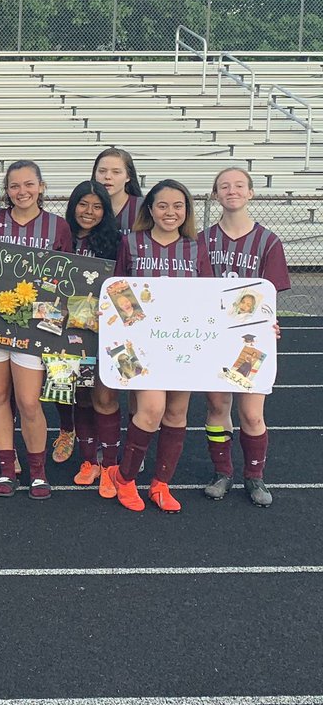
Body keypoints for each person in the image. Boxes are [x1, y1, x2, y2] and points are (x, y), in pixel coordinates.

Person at [101, 179, 212, 513]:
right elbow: (116, 290)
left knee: (176, 413)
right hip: (141, 346)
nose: (170, 212)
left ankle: (161, 484)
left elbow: (209, 299)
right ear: (149, 209)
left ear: (187, 211)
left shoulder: (195, 248)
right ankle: (126, 477)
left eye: (178, 206)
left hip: (183, 345)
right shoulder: (132, 243)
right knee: (150, 410)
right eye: (162, 205)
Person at [0, 160, 73, 500]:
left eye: (28, 184)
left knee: (29, 401)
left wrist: (49, 326)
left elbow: (66, 280)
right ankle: (6, 466)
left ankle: (37, 471)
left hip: (35, 327)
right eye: (15, 186)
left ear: (41, 187)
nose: (22, 192)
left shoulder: (57, 227)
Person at [201, 167, 290, 507]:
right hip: (213, 336)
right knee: (217, 405)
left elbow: (271, 297)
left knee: (252, 413)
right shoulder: (203, 240)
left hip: (251, 340)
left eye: (239, 185)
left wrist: (273, 323)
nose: (232, 190)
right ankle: (222, 472)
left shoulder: (268, 241)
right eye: (224, 185)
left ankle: (254, 475)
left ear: (251, 193)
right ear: (215, 194)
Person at [60, 180, 122, 490]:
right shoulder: (60, 236)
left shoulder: (117, 242)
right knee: (79, 396)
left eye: (97, 206)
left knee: (105, 397)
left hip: (105, 332)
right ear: (73, 206)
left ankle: (110, 465)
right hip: (65, 332)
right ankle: (88, 461)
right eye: (83, 204)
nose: (89, 211)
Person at [91, 147, 143, 234]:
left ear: (128, 176)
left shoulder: (143, 207)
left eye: (116, 172)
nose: (107, 176)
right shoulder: (85, 206)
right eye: (102, 171)